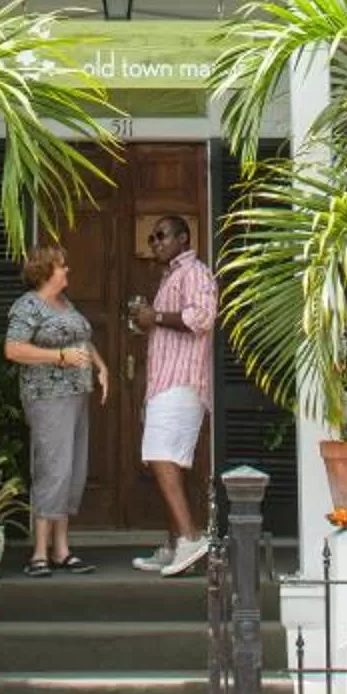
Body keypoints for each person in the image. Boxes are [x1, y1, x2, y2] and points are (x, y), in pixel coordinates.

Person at [2, 245, 107, 575]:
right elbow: (13, 349)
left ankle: (62, 549)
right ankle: (39, 553)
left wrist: (101, 366)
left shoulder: (64, 303)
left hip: (76, 395)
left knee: (72, 470)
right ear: (46, 271)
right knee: (52, 468)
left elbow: (81, 339)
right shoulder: (28, 306)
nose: (67, 270)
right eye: (62, 266)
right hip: (47, 397)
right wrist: (59, 357)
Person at [126, 213, 217, 576]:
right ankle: (176, 544)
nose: (156, 243)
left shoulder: (194, 272)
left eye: (162, 236)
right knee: (167, 462)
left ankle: (191, 539)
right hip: (165, 384)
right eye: (152, 238)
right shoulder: (171, 276)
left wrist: (157, 318)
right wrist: (148, 321)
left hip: (183, 382)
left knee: (161, 456)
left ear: (183, 239)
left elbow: (202, 317)